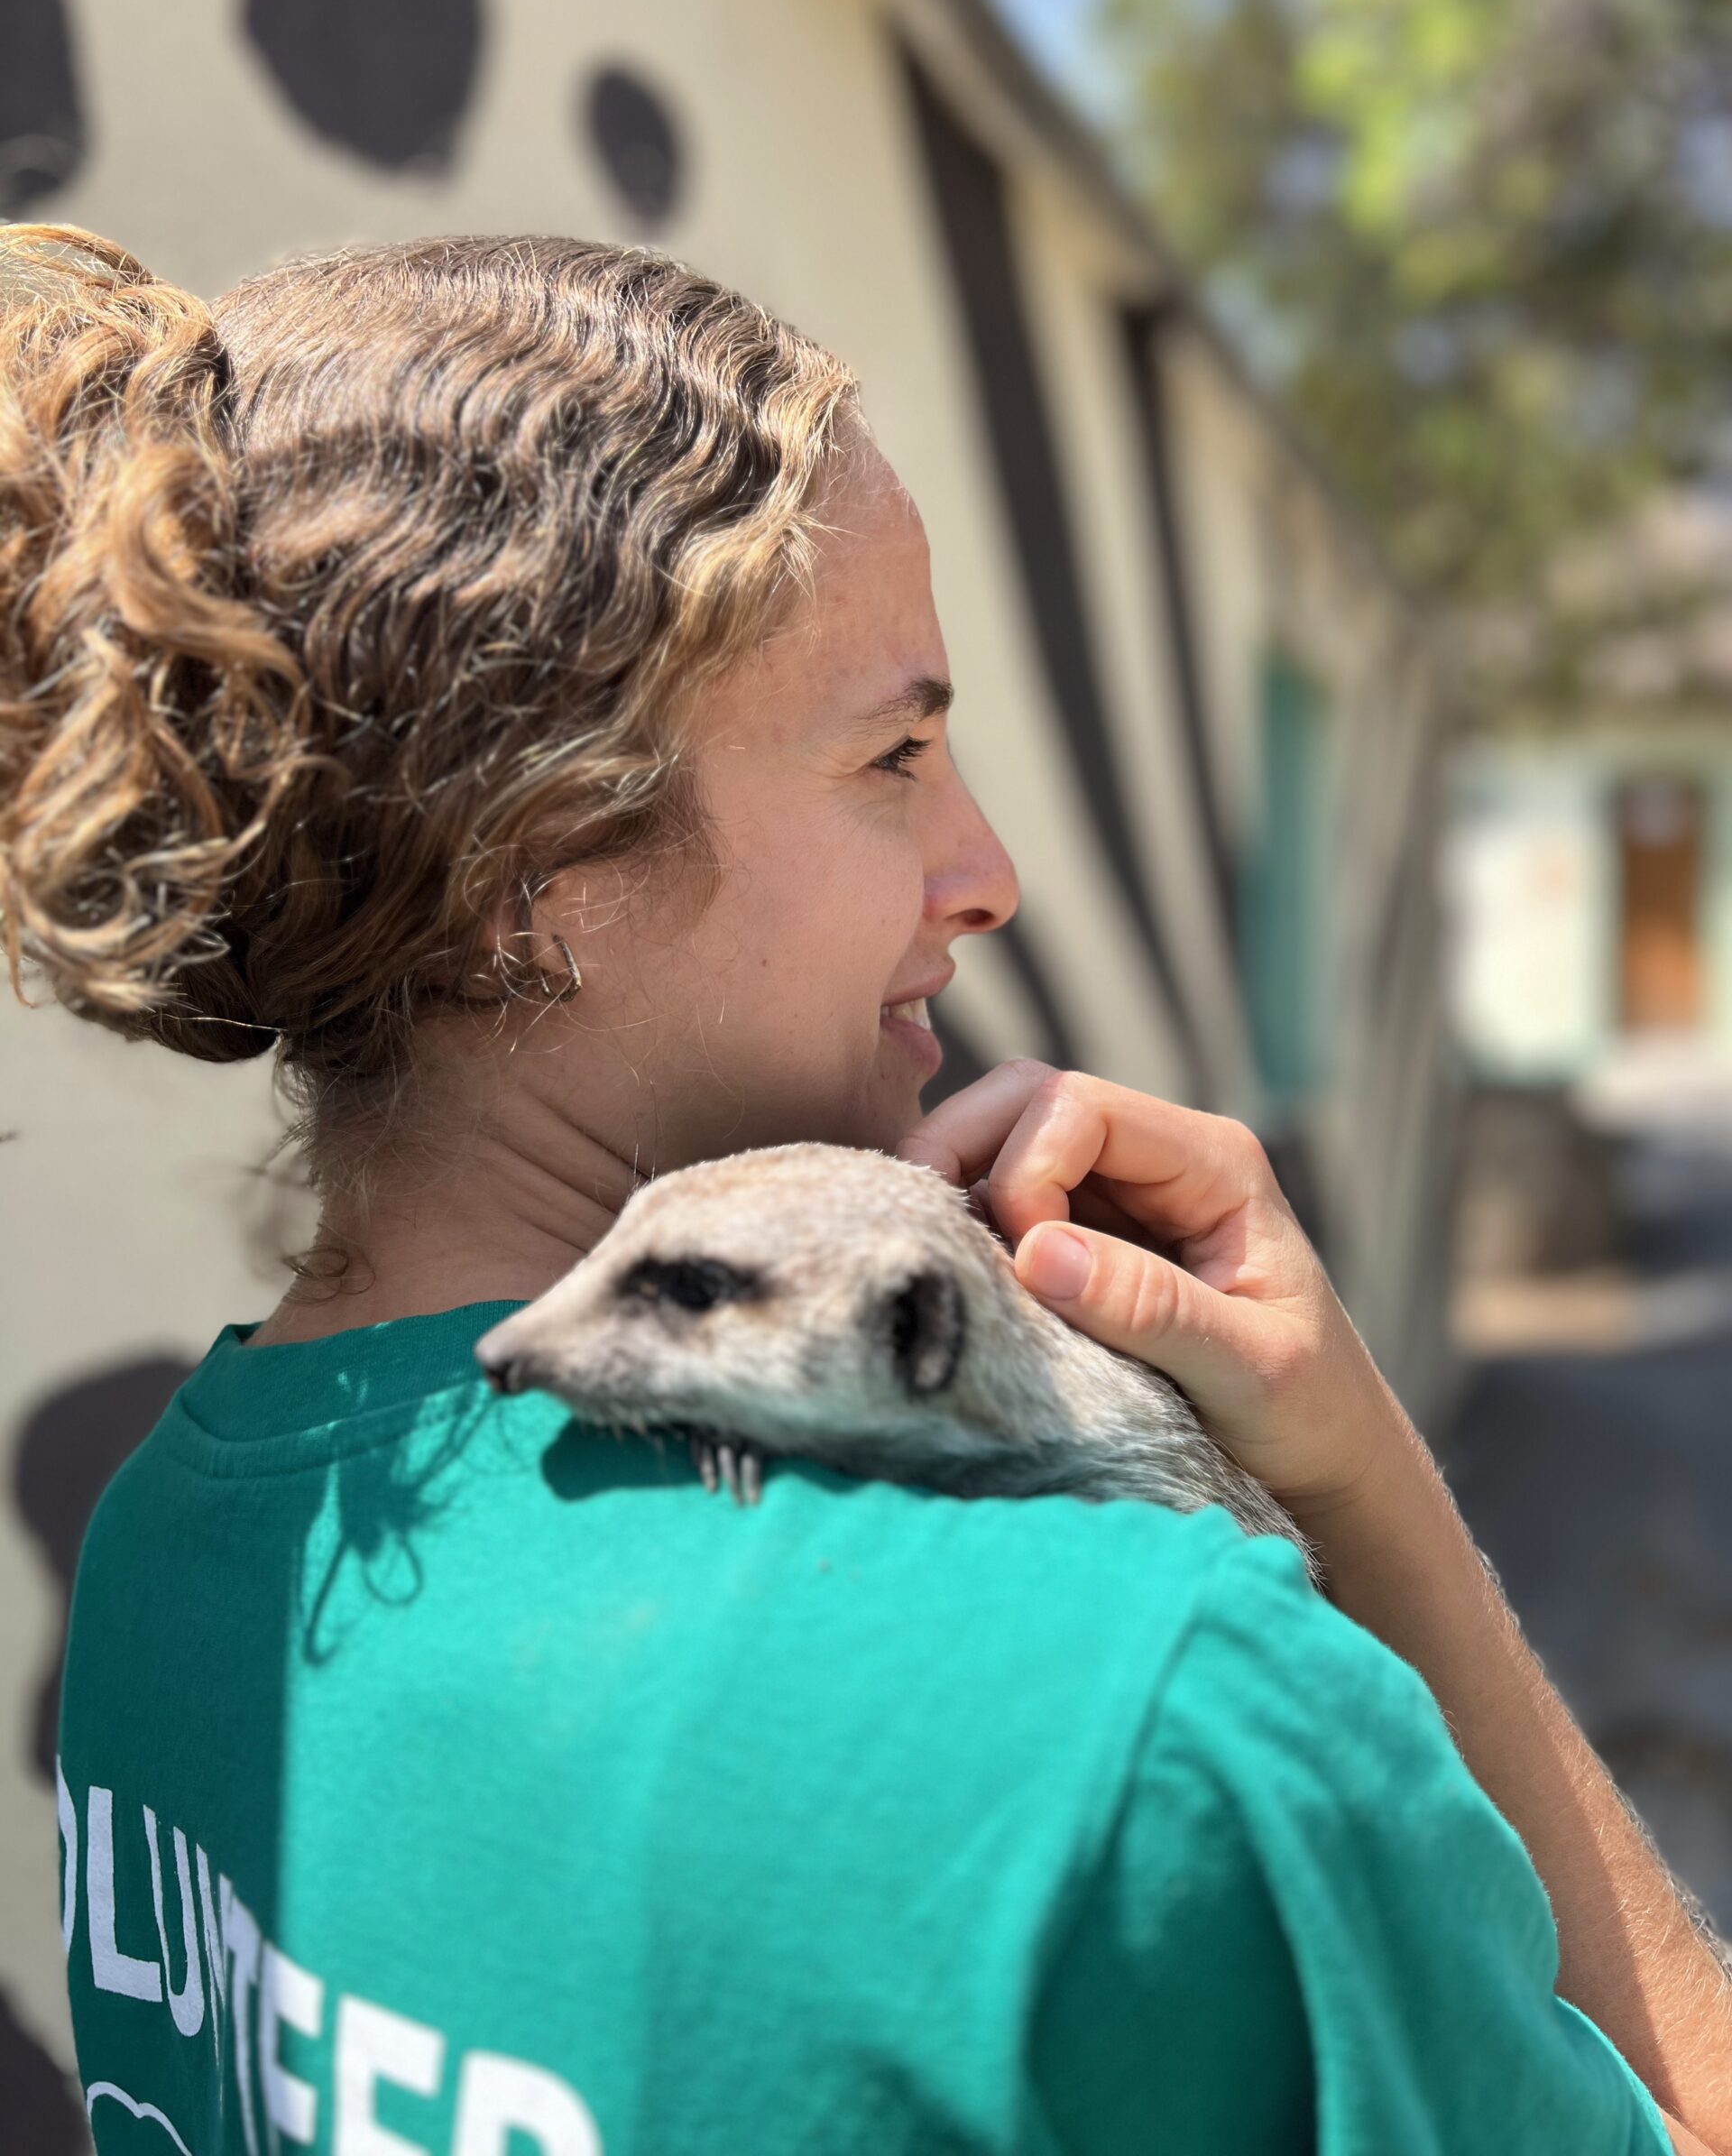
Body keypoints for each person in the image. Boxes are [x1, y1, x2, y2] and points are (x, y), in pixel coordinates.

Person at [3, 220, 1727, 2156]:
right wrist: (1367, 1485)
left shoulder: (163, 1547)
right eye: (895, 750)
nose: (986, 866)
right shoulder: (1145, 1714)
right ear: (534, 869)